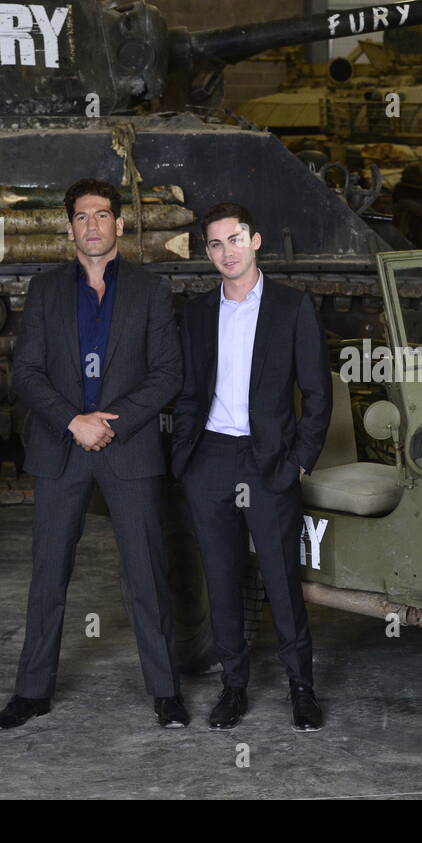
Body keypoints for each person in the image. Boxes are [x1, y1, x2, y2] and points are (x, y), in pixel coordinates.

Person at [0, 177, 187, 731]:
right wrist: (73, 420)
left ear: (119, 225)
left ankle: (166, 692)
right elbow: (26, 370)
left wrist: (109, 421)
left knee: (145, 572)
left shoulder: (150, 290)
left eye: (102, 215)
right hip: (61, 447)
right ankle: (32, 693)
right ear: (70, 226)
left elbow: (167, 372)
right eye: (82, 216)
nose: (92, 225)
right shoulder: (47, 289)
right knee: (49, 574)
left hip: (129, 448)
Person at [171, 202, 330, 731]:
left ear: (255, 240)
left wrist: (301, 461)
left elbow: (316, 392)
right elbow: (189, 394)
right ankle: (233, 687)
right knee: (221, 578)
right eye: (215, 244)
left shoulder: (291, 307)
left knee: (283, 579)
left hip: (269, 462)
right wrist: (185, 463)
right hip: (211, 459)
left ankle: (301, 689)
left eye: (234, 240)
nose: (226, 253)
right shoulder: (196, 314)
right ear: (207, 251)